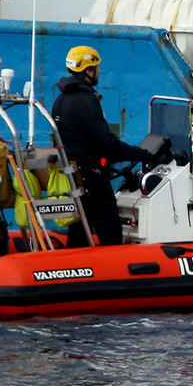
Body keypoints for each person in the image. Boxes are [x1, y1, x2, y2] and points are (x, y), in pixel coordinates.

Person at [52, 45, 161, 246]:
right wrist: (142, 154)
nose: (99, 71)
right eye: (96, 67)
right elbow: (106, 141)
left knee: (79, 230)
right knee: (109, 227)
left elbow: (80, 140)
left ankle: (75, 269)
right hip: (92, 177)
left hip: (74, 176)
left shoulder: (61, 99)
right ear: (88, 71)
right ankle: (115, 271)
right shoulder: (86, 100)